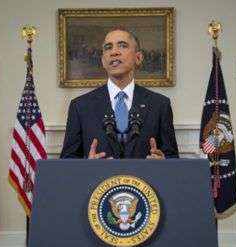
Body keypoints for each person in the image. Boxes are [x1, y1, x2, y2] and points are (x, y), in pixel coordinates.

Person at [60, 28, 178, 159]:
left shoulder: (160, 104)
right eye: (108, 48)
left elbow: (172, 158)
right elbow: (67, 161)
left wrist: (163, 161)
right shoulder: (80, 106)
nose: (114, 52)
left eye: (122, 45)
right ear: (103, 61)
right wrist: (88, 166)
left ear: (138, 57)